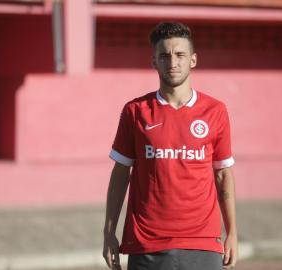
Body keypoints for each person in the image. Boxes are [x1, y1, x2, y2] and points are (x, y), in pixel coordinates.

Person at [102, 22, 238, 270]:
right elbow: (120, 173)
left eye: (180, 55)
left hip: (203, 243)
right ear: (154, 61)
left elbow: (222, 174)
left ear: (193, 60)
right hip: (147, 244)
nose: (172, 62)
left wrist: (232, 233)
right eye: (164, 56)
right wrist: (109, 232)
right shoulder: (135, 111)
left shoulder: (215, 111)